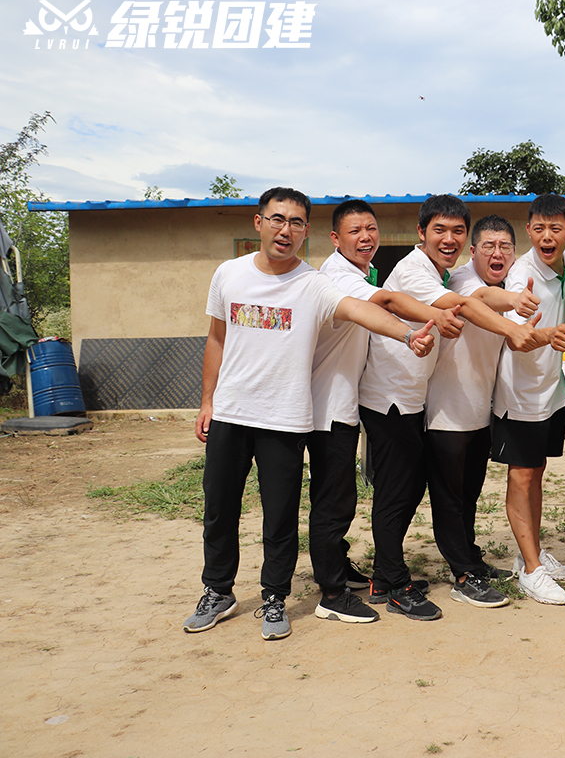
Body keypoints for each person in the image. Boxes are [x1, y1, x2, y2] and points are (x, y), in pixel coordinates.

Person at [184, 187, 435, 641]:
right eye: (278, 219)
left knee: (279, 516)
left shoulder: (313, 282)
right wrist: (208, 401)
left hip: (284, 418)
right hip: (232, 412)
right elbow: (217, 338)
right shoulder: (229, 274)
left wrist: (406, 334)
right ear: (258, 222)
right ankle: (217, 590)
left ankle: (274, 598)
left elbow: (362, 308)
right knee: (219, 508)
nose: (286, 230)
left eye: (297, 222)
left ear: (307, 231)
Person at [357, 195, 541, 622]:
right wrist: (513, 320)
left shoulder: (438, 272)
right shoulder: (416, 271)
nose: (450, 238)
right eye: (440, 230)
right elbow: (467, 304)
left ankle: (397, 575)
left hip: (413, 399)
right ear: (422, 233)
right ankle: (415, 581)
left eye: (457, 230)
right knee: (399, 495)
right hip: (390, 401)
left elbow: (475, 302)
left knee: (428, 494)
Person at [307, 199, 464, 625]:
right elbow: (390, 302)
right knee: (378, 492)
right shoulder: (340, 276)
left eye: (371, 229)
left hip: (379, 398)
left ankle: (367, 573)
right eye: (355, 231)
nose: (366, 237)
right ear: (336, 239)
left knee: (386, 488)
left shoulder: (362, 272)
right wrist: (428, 322)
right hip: (367, 400)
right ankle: (386, 584)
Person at [423, 214, 540, 608]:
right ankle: (461, 575)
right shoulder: (462, 282)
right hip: (445, 413)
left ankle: (470, 557)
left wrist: (546, 335)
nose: (497, 253)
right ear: (472, 252)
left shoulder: (503, 287)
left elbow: (512, 338)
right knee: (450, 498)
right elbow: (478, 302)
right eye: (488, 246)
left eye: (505, 247)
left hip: (479, 414)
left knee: (470, 493)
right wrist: (513, 301)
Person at [492, 194, 565, 605]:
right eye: (539, 228)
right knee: (521, 476)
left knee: (539, 471)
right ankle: (531, 571)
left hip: (553, 390)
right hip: (520, 395)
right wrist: (544, 334)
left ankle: (531, 554)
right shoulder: (520, 278)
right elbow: (516, 340)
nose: (548, 237)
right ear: (528, 230)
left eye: (556, 228)